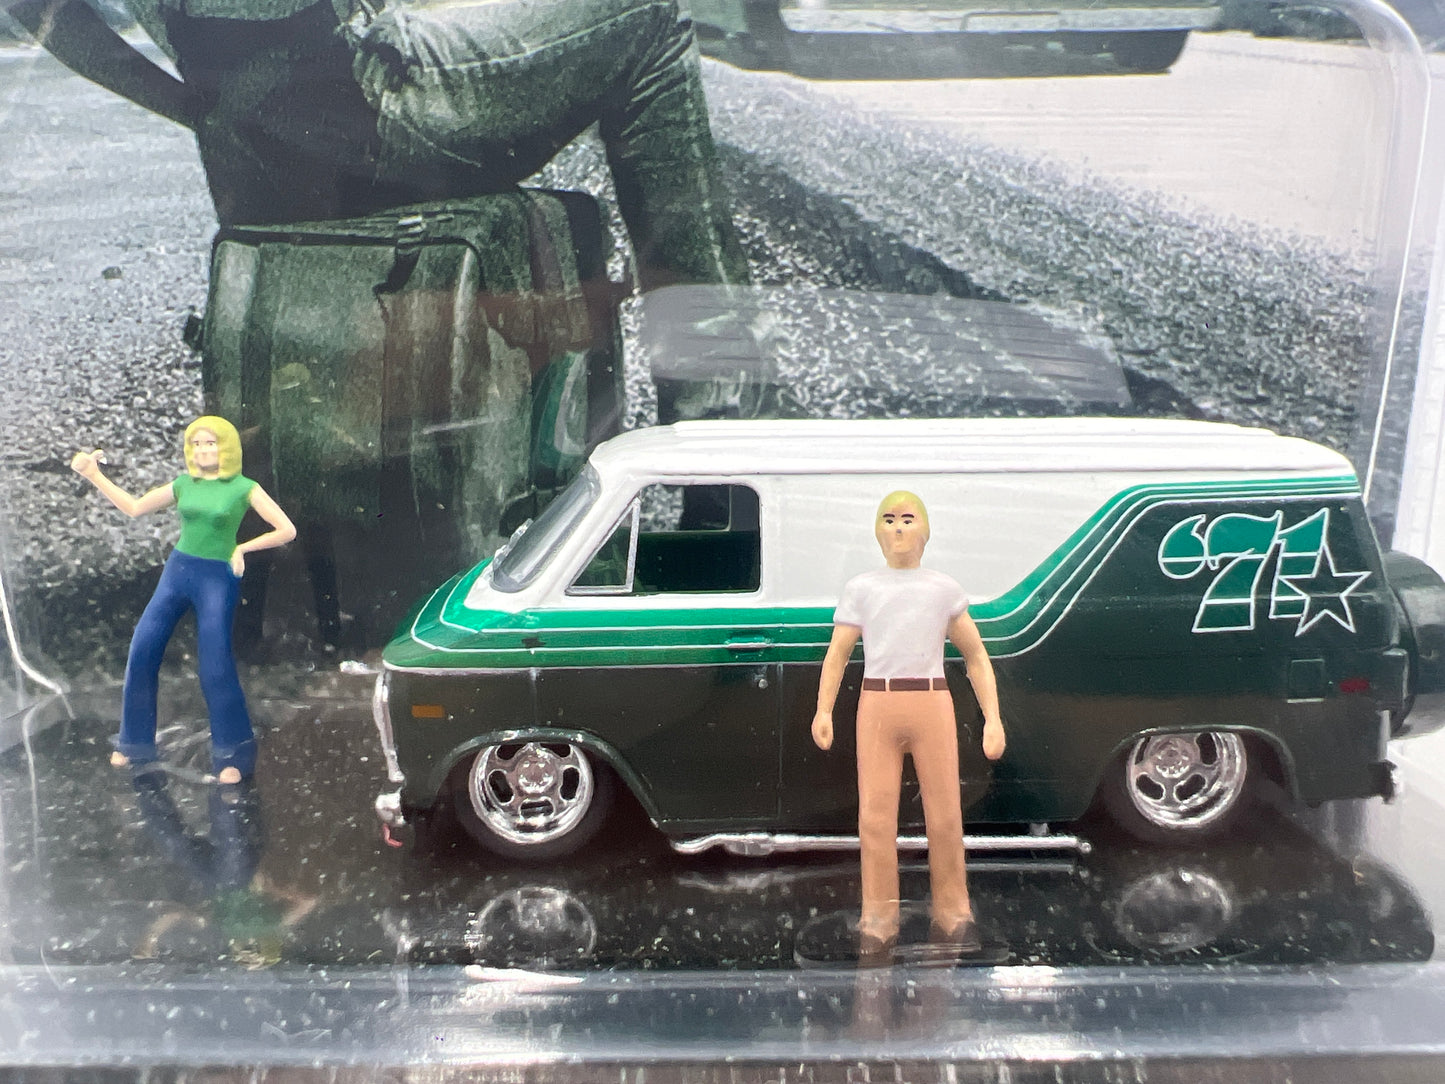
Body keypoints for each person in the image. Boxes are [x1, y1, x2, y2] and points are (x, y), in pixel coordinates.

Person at [812, 491, 1006, 954]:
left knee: (946, 815)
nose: (898, 528)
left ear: (925, 530)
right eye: (889, 519)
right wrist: (823, 709)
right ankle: (879, 915)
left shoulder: (942, 589)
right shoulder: (862, 588)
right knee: (875, 819)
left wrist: (993, 719)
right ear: (877, 531)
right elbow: (837, 655)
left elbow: (976, 656)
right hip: (878, 705)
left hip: (932, 703)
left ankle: (954, 911)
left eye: (907, 518)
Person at [71, 416, 297, 782]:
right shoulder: (183, 484)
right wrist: (94, 475)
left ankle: (234, 753)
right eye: (196, 444)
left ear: (226, 447)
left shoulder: (244, 488)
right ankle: (134, 742)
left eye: (210, 443)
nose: (203, 450)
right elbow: (134, 507)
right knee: (142, 649)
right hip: (178, 570)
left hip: (216, 578)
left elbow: (287, 529)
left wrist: (243, 548)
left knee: (214, 665)